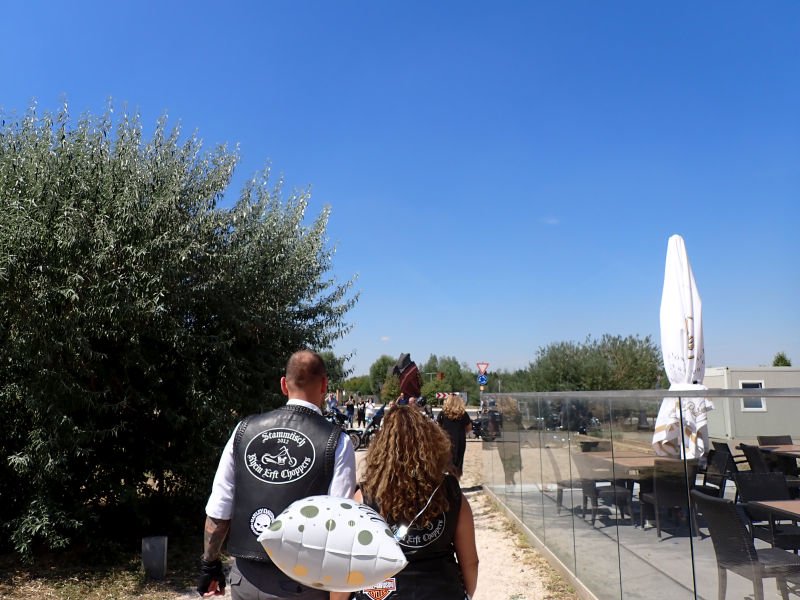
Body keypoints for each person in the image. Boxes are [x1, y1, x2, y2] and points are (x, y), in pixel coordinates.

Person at [200, 350, 357, 600]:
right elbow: (339, 526)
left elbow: (219, 511)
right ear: (324, 385)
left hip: (245, 579)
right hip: (301, 583)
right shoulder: (338, 442)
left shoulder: (243, 430)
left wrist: (209, 565)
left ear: (284, 384)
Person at [351, 405, 479, 600]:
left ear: (381, 446)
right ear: (431, 442)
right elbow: (470, 561)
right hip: (442, 590)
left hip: (385, 593)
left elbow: (351, 562)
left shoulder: (365, 496)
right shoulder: (450, 491)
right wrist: (466, 594)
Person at [436, 394, 473, 477]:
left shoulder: (442, 414)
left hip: (445, 441)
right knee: (458, 463)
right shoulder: (463, 414)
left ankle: (447, 480)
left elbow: (438, 428)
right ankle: (456, 480)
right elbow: (469, 428)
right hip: (459, 441)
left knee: (446, 463)